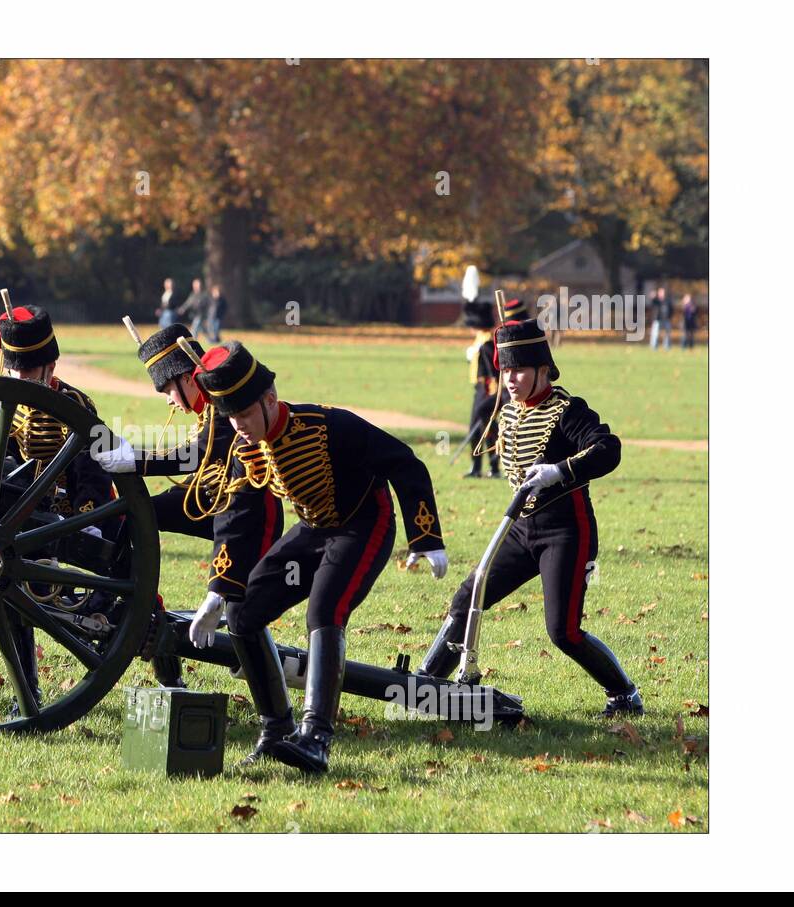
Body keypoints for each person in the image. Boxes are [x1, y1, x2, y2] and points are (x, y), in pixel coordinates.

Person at [191, 342, 448, 773]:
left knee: (324, 611)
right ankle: (276, 730)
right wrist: (218, 591)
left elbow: (405, 462)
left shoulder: (330, 425)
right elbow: (238, 519)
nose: (238, 426)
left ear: (270, 399)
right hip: (313, 530)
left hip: (364, 524)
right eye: (230, 417)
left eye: (244, 414)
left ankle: (316, 739)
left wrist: (425, 536)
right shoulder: (244, 448)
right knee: (242, 615)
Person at [418, 318, 642, 717]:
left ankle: (624, 694)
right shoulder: (508, 409)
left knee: (563, 632)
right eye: (506, 370)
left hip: (566, 532)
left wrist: (561, 471)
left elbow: (609, 449)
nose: (511, 380)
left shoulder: (567, 410)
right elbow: (483, 416)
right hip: (521, 529)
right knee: (468, 598)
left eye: (519, 370)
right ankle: (424, 685)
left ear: (544, 369)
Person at [92, 323, 285, 688]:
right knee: (135, 515)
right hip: (211, 498)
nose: (168, 399)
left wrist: (138, 459)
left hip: (248, 513)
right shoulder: (207, 404)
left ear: (187, 378)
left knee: (239, 606)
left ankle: (273, 697)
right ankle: (142, 614)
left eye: (167, 388)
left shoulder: (223, 399)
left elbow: (197, 455)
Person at [0, 304, 114, 704]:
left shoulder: (75, 404)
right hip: (22, 515)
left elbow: (91, 467)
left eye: (30, 371)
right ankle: (26, 687)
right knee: (11, 586)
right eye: (17, 371)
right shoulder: (3, 403)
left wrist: (88, 517)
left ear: (50, 366)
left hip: (71, 513)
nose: (22, 379)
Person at [462, 297, 506, 479]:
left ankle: (494, 466)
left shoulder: (487, 342)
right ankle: (476, 465)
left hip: (487, 389)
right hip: (478, 388)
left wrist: (493, 394)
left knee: (487, 429)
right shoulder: (480, 339)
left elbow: (492, 372)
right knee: (475, 428)